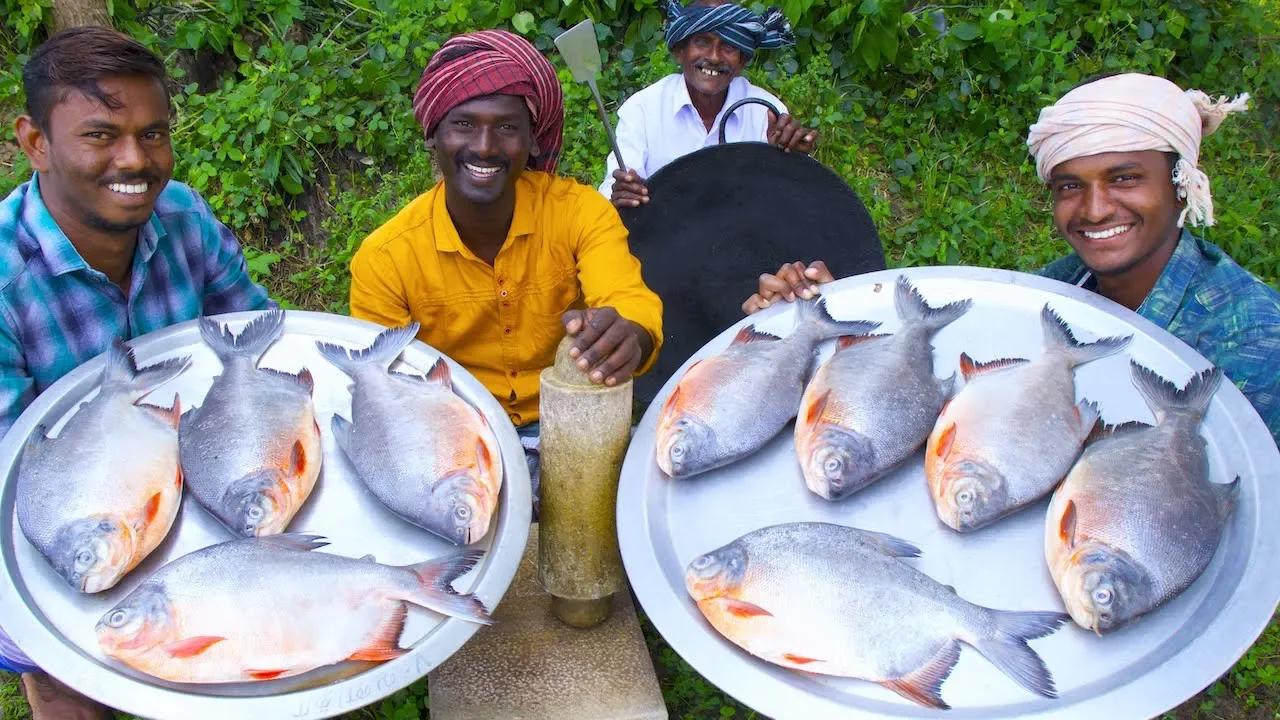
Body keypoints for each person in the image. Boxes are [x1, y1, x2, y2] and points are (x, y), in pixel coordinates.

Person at [743, 73, 1280, 445]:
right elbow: (967, 375)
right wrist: (834, 315)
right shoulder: (1058, 290)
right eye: (1070, 186)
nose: (1094, 209)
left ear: (1182, 185)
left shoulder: (1253, 338)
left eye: (1125, 178)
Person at [0, 26, 271, 719]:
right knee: (75, 678)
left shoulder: (183, 215)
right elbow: (14, 473)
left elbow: (255, 339)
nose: (136, 159)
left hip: (197, 473)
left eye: (153, 134)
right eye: (101, 135)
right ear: (35, 143)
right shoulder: (6, 278)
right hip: (66, 512)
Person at [347, 30, 663, 453]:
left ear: (533, 139)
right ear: (432, 135)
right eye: (463, 124)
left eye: (507, 128)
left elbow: (629, 299)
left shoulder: (579, 212)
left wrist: (632, 335)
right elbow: (383, 386)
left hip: (570, 419)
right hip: (454, 431)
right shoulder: (386, 258)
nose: (484, 147)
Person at [601, 0, 819, 208]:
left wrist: (792, 162)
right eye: (702, 42)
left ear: (742, 61)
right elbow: (616, 186)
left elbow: (790, 201)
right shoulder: (643, 109)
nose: (714, 57)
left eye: (728, 47)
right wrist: (622, 193)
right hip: (663, 238)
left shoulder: (765, 112)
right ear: (679, 51)